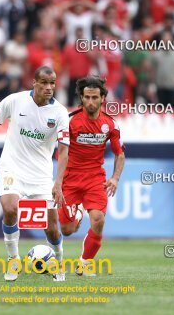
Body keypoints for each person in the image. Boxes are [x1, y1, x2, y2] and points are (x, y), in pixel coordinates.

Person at [0, 66, 69, 282]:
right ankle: (13, 260)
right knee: (10, 208)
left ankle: (59, 263)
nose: (49, 87)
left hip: (41, 175)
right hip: (11, 167)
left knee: (52, 229)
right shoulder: (15, 101)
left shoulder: (60, 113)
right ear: (34, 82)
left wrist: (58, 182)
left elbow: (63, 150)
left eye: (52, 83)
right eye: (44, 82)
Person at [58, 75, 125, 276]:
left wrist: (114, 178)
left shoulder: (110, 125)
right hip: (70, 178)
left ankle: (85, 263)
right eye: (86, 97)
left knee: (98, 220)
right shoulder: (70, 121)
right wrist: (58, 181)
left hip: (95, 178)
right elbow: (61, 152)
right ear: (81, 97)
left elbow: (119, 154)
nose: (90, 102)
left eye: (95, 97)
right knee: (67, 230)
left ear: (103, 98)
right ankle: (77, 212)